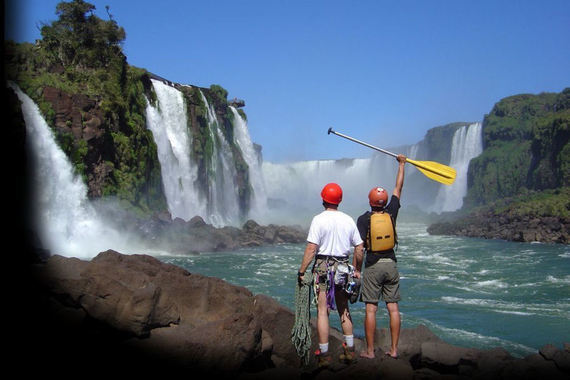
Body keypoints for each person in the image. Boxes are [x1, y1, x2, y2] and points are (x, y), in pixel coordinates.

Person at [297, 182, 364, 367]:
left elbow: (312, 248)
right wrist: (357, 270)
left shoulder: (319, 219)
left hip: (323, 269)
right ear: (339, 200)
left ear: (323, 199)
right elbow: (359, 248)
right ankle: (350, 351)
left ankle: (324, 354)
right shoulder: (348, 220)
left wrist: (301, 271)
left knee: (322, 311)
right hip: (343, 269)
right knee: (344, 309)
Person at [357, 154, 406, 359]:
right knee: (393, 309)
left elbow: (359, 249)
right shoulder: (392, 212)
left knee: (371, 310)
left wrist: (356, 271)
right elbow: (398, 188)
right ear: (385, 202)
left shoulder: (363, 219)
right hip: (391, 265)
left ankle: (369, 351)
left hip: (373, 265)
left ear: (370, 202)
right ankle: (394, 350)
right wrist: (402, 165)